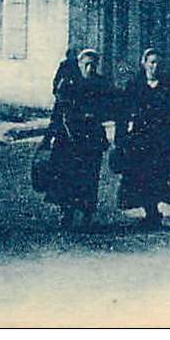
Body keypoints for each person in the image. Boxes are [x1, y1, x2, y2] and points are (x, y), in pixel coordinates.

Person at [44, 49, 118, 230]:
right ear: (79, 65)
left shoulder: (102, 85)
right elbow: (58, 111)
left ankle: (87, 215)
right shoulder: (69, 85)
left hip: (92, 138)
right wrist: (49, 137)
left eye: (93, 65)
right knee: (66, 176)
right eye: (86, 64)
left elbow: (111, 107)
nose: (90, 68)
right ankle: (66, 213)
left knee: (90, 177)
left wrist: (96, 114)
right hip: (69, 138)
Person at [116, 48, 170, 229]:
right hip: (140, 137)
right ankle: (150, 211)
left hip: (162, 137)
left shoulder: (168, 85)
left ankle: (154, 210)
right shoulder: (134, 85)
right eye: (151, 62)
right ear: (144, 63)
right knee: (141, 175)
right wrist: (121, 137)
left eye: (158, 63)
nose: (155, 66)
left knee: (160, 174)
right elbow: (124, 112)